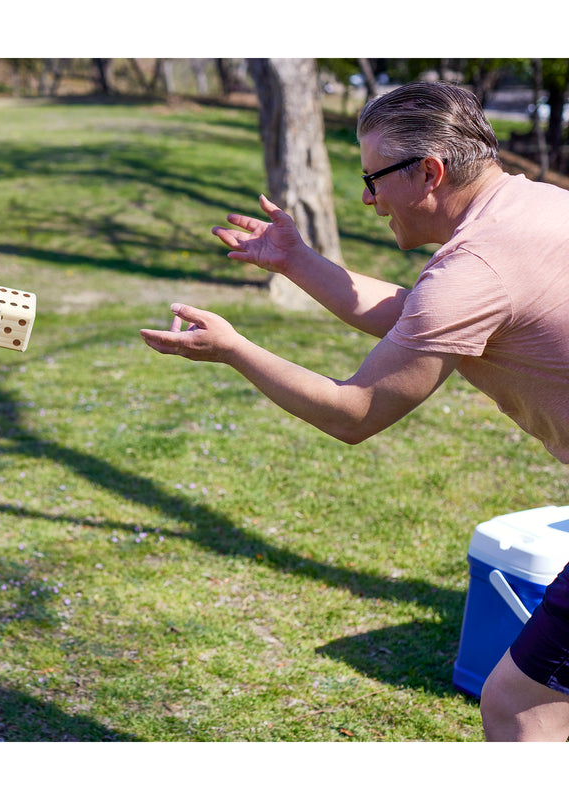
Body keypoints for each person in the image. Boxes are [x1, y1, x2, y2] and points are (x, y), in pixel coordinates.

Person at [139, 81, 569, 741]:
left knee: (517, 707)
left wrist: (233, 349)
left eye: (374, 180)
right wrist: (297, 260)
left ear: (429, 172)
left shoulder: (473, 268)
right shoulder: (535, 205)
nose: (367, 200)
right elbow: (419, 317)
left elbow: (353, 412)